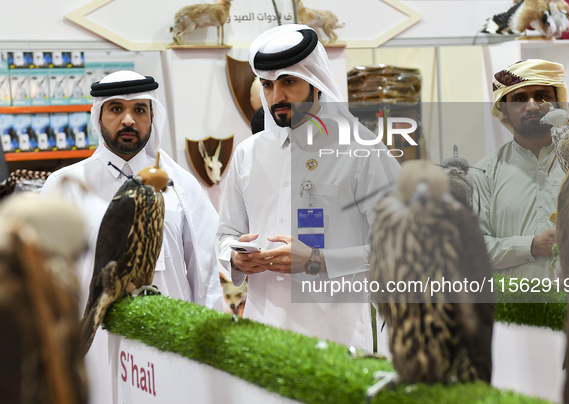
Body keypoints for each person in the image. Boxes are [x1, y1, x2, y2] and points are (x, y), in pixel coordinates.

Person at [41, 70, 222, 403]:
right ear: (99, 116)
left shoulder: (181, 186)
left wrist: (209, 347)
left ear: (152, 116)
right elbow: (44, 279)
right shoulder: (64, 185)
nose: (128, 119)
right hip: (94, 349)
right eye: (116, 109)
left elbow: (207, 273)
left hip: (168, 345)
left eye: (139, 109)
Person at [217, 25, 401, 351]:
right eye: (268, 85)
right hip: (263, 333)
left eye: (289, 82)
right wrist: (234, 257)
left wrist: (317, 259)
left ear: (315, 83)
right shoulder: (248, 154)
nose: (277, 97)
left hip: (338, 338)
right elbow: (225, 234)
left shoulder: (362, 150)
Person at [472, 59, 567, 279]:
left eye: (542, 95)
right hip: (513, 310)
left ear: (558, 102)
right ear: (503, 108)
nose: (533, 105)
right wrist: (532, 246)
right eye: (520, 98)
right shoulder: (485, 173)